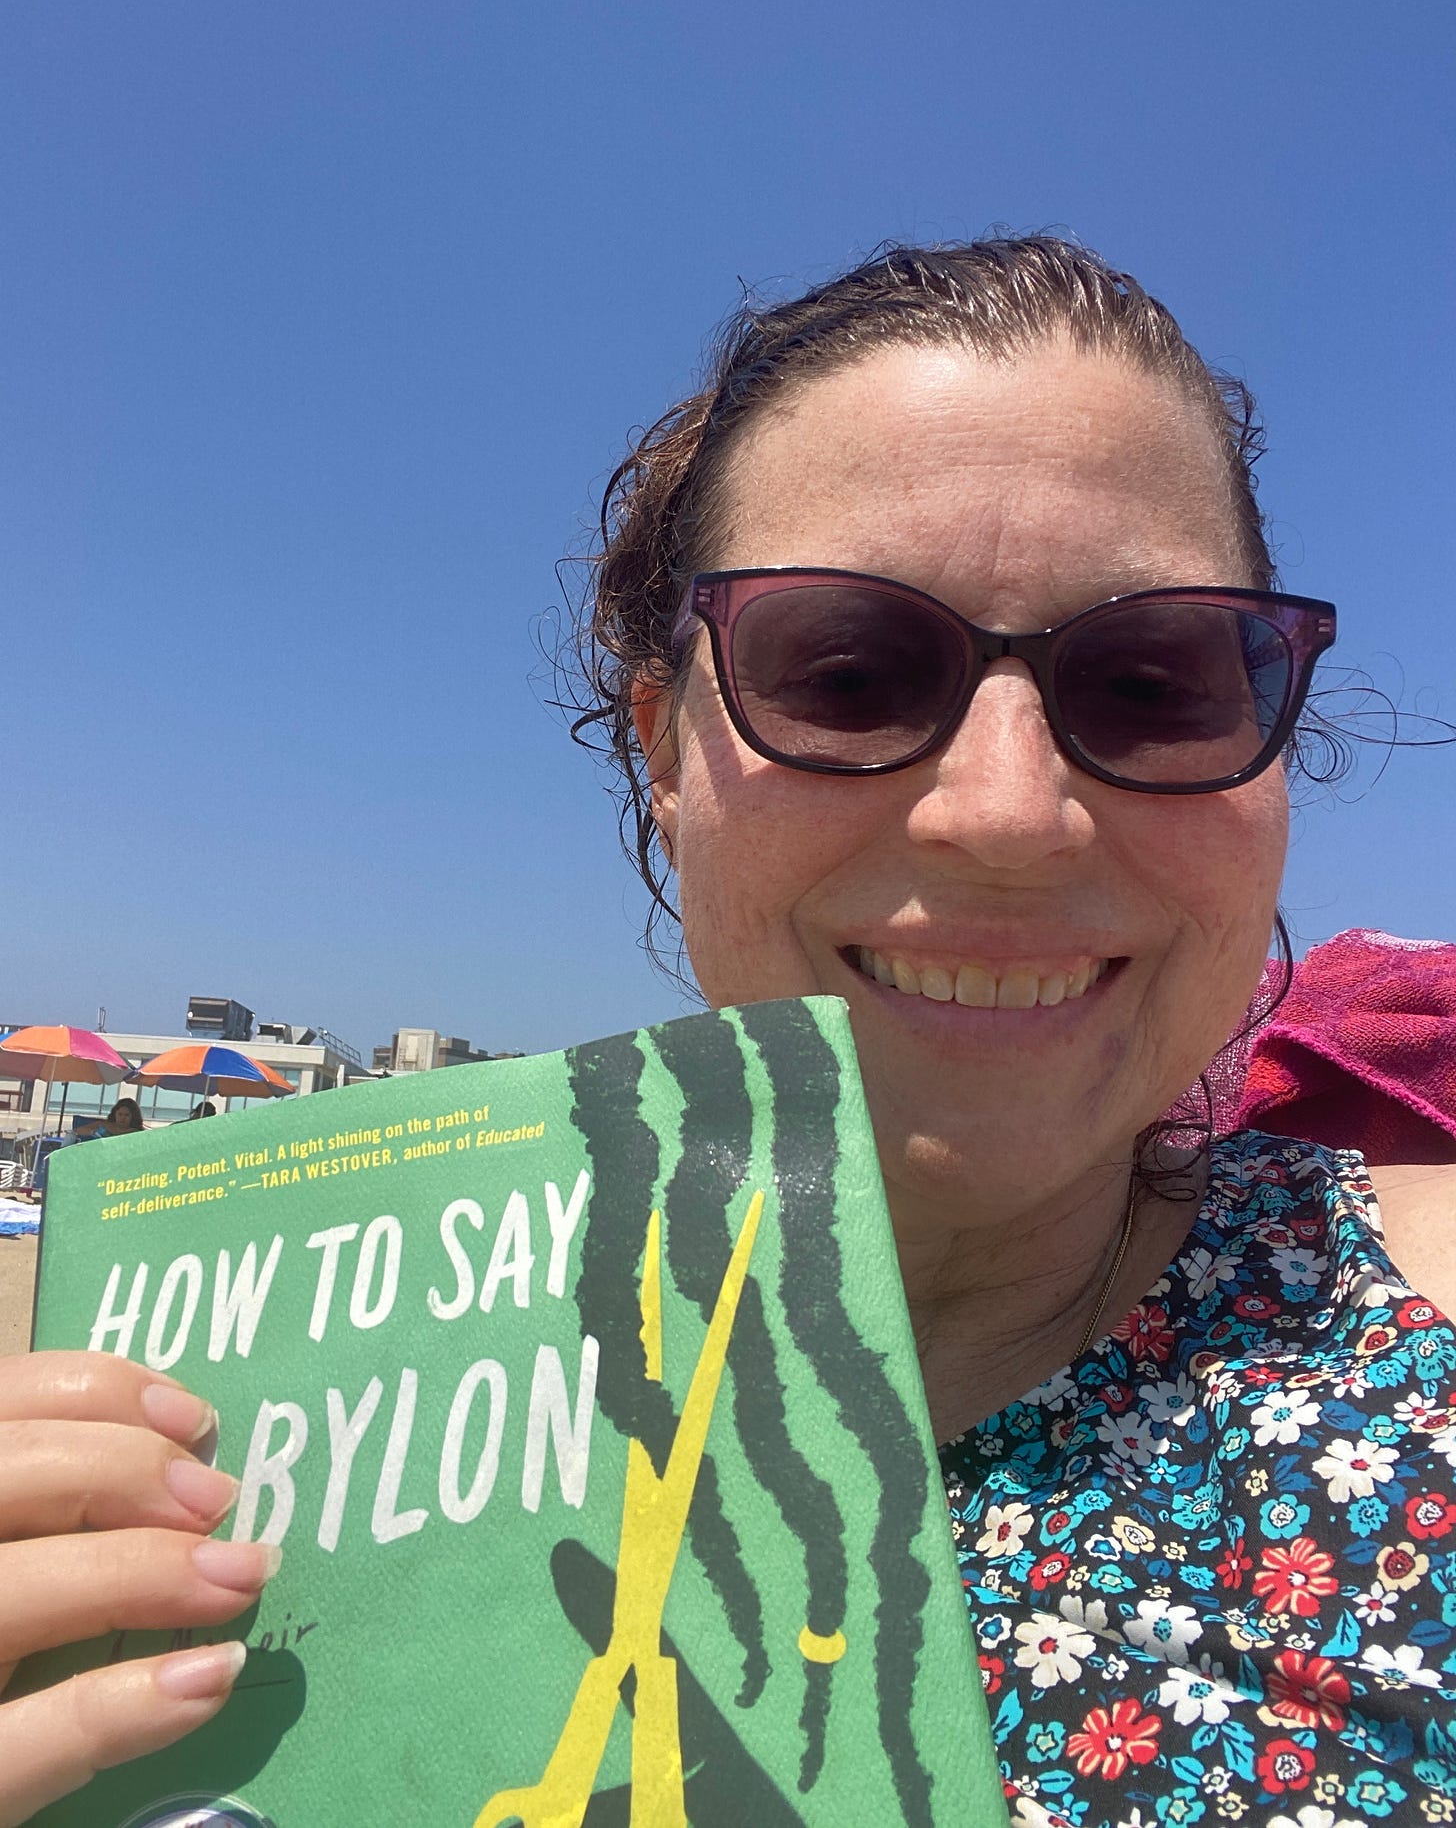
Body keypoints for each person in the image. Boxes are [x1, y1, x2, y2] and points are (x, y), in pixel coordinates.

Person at [0, 237, 1452, 1825]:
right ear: (664, 750)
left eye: (1161, 677)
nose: (1011, 814)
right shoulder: (248, 1388)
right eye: (844, 667)